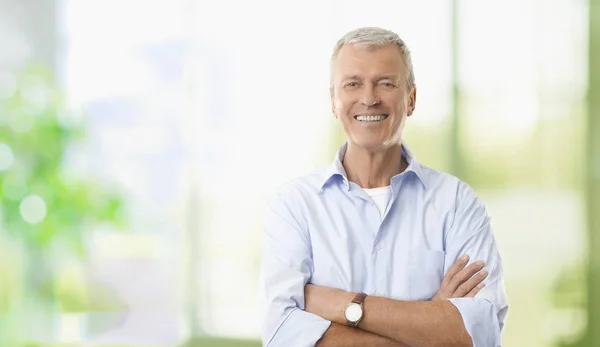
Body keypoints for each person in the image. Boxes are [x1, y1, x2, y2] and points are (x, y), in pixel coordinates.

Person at [258, 27, 508, 347]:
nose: (369, 98)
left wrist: (344, 306)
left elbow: (479, 334)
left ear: (411, 99)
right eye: (353, 84)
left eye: (386, 83)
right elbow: (281, 334)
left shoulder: (457, 203)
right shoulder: (294, 205)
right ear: (334, 102)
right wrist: (430, 320)